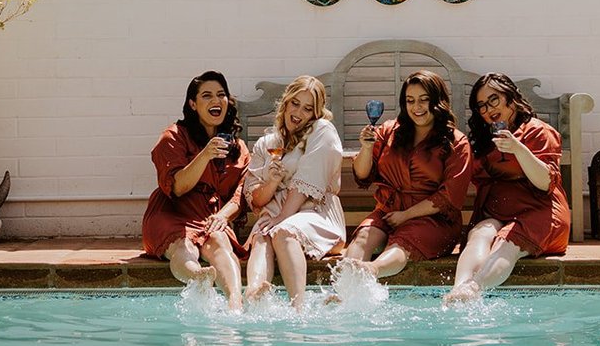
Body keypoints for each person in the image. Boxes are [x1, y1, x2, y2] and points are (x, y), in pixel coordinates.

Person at [445, 72, 570, 304]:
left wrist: (519, 149)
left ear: (511, 99)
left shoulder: (538, 131)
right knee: (481, 232)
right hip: (498, 210)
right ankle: (457, 291)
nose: (488, 109)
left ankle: (474, 288)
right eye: (481, 105)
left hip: (539, 210)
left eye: (494, 99)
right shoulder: (484, 139)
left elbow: (545, 182)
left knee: (506, 240)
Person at [340, 70, 472, 280]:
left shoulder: (456, 142)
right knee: (364, 235)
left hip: (434, 219)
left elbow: (449, 197)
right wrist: (365, 148)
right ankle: (343, 289)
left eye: (423, 100)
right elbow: (363, 175)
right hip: (389, 211)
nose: (416, 107)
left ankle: (370, 272)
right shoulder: (389, 130)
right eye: (410, 101)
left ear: (438, 101)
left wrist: (406, 215)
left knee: (401, 243)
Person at [142, 70, 249, 310]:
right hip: (172, 211)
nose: (216, 101)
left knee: (221, 242)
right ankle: (198, 276)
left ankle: (235, 302)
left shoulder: (238, 147)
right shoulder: (173, 136)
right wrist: (206, 154)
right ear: (193, 104)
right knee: (184, 245)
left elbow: (240, 194)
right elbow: (178, 187)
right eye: (207, 96)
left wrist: (222, 217)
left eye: (221, 95)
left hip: (210, 216)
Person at [243, 75, 346, 309]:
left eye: (308, 108)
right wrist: (271, 181)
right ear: (285, 103)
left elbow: (310, 183)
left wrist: (282, 217)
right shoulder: (267, 143)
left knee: (283, 231)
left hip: (317, 214)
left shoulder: (322, 131)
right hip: (275, 214)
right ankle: (255, 295)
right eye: (295, 103)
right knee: (262, 236)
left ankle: (298, 308)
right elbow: (255, 200)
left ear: (315, 113)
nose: (299, 112)